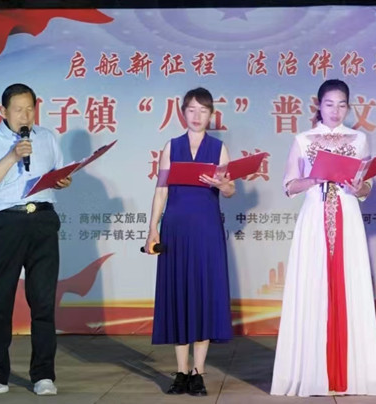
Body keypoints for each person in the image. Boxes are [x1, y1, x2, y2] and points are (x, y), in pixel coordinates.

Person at [271, 79, 376, 397]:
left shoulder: (359, 139)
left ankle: (353, 375)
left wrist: (358, 187)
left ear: (348, 107)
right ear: (318, 106)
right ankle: (312, 374)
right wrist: (315, 178)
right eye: (329, 104)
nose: (335, 111)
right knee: (314, 287)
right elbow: (289, 185)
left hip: (348, 216)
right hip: (313, 217)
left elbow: (366, 187)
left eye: (342, 105)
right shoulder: (303, 139)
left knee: (349, 285)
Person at [0, 83, 71, 396]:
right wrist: (12, 156)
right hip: (7, 222)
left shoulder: (47, 137)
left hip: (43, 221)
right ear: (3, 111)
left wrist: (63, 179)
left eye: (30, 109)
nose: (25, 115)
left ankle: (43, 375)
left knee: (43, 301)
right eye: (18, 110)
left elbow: (59, 173)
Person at [144, 87, 235, 396]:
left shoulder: (218, 149)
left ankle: (198, 372)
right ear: (183, 112)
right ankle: (181, 372)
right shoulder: (172, 147)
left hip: (207, 231)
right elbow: (161, 190)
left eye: (203, 111)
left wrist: (223, 184)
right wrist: (152, 228)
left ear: (211, 115)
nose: (197, 116)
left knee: (203, 296)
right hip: (176, 229)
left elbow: (230, 190)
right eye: (192, 110)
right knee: (179, 295)